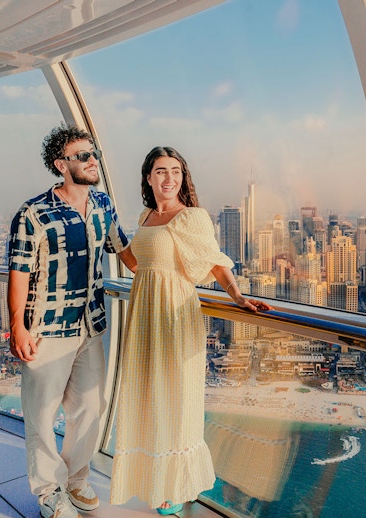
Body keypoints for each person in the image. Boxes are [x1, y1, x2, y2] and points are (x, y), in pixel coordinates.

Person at [109, 146, 272, 515]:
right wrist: (116, 238)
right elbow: (139, 264)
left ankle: (175, 486)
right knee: (146, 395)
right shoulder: (147, 215)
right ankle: (152, 476)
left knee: (175, 397)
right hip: (144, 313)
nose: (169, 178)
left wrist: (238, 296)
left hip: (175, 315)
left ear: (184, 177)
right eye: (161, 171)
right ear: (148, 178)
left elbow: (214, 264)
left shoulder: (192, 217)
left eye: (176, 171)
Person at [7, 123, 132, 518]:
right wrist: (17, 325)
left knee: (90, 409)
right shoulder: (33, 213)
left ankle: (77, 478)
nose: (92, 160)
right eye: (83, 156)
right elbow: (20, 271)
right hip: (46, 330)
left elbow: (124, 250)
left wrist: (165, 277)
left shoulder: (103, 205)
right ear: (61, 165)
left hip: (90, 325)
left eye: (93, 154)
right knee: (42, 416)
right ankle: (47, 492)